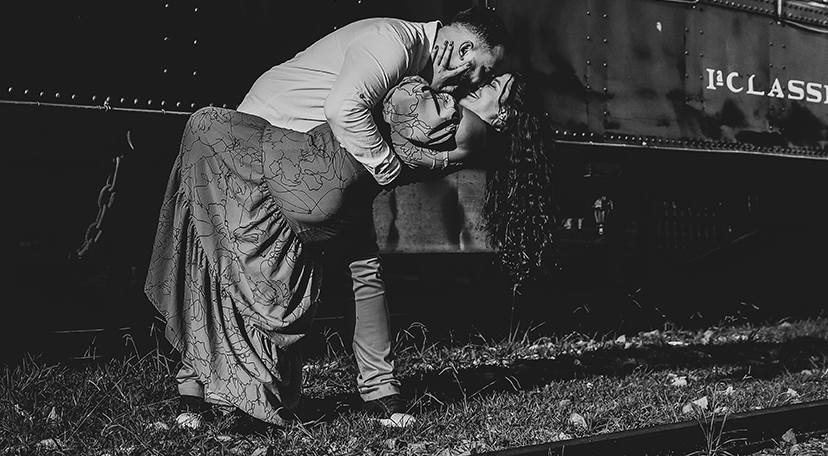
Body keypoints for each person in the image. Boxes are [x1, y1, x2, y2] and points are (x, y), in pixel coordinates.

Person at [144, 71, 557, 427]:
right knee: (360, 271)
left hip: (316, 175)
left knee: (214, 244)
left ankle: (195, 387)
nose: (477, 81)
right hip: (344, 188)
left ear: (505, 114)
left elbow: (397, 102)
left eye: (492, 85)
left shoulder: (467, 127)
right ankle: (381, 392)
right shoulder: (463, 131)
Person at [231, 9, 510, 427]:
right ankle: (365, 392)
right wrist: (386, 169)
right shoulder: (394, 42)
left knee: (358, 266)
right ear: (465, 50)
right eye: (482, 72)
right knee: (269, 271)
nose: (476, 83)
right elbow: (344, 107)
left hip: (314, 160)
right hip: (270, 146)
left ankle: (377, 392)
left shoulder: (418, 66)